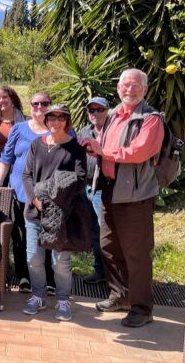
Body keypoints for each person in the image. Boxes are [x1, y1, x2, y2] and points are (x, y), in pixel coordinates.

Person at [82, 68, 164, 328]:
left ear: (145, 90)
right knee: (108, 246)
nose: (130, 89)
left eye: (135, 85)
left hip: (135, 196)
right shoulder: (114, 115)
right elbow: (106, 149)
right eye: (125, 85)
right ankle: (120, 296)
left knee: (137, 253)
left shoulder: (151, 118)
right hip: (109, 190)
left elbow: (139, 152)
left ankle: (142, 308)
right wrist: (96, 152)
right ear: (118, 88)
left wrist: (103, 151)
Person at [21, 104, 88, 321]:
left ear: (67, 122)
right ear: (46, 120)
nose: (56, 122)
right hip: (35, 211)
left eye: (61, 118)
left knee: (59, 261)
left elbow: (80, 178)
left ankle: (62, 299)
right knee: (33, 258)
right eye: (52, 118)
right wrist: (35, 198)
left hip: (62, 213)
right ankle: (38, 296)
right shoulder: (35, 145)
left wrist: (56, 194)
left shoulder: (75, 147)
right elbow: (27, 175)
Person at [0, 91, 57, 294]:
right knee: (20, 235)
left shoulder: (58, 129)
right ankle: (23, 276)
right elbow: (7, 157)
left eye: (44, 103)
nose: (40, 107)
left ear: (50, 105)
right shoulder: (19, 129)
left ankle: (48, 278)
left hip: (50, 194)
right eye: (35, 104)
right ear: (30, 106)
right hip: (20, 192)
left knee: (48, 234)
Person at [78, 97, 110, 285]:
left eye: (100, 109)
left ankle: (112, 275)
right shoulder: (85, 131)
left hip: (103, 188)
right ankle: (100, 271)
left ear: (107, 110)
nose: (96, 114)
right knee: (94, 232)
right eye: (92, 110)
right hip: (86, 187)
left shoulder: (112, 131)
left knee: (106, 233)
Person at [0, 86, 27, 183]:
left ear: (12, 99)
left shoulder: (26, 121)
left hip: (18, 167)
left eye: (5, 97)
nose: (1, 100)